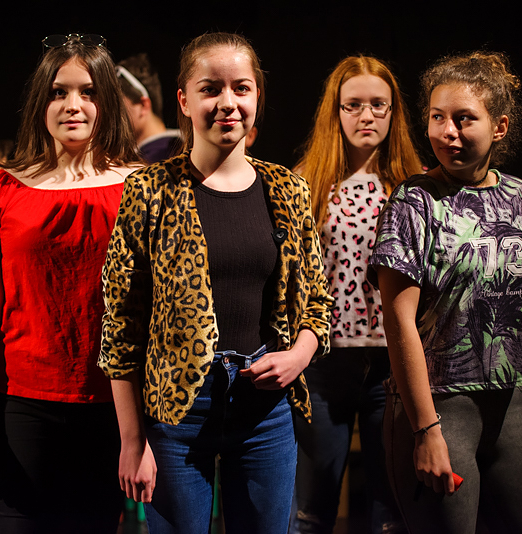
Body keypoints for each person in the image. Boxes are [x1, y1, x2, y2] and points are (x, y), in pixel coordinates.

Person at [98, 32, 333, 534]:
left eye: (241, 88)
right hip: (177, 415)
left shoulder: (287, 189)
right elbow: (120, 325)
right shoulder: (149, 190)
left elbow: (316, 300)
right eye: (210, 89)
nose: (228, 102)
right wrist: (132, 440)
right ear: (184, 100)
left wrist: (299, 355)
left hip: (264, 411)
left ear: (257, 97)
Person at [0, 34, 140, 534]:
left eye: (88, 92)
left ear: (108, 101)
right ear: (41, 100)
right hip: (21, 403)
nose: (73, 104)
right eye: (59, 92)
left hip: (114, 404)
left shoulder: (142, 186)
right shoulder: (0, 188)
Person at [369, 51, 522, 533]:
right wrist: (425, 429)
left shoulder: (519, 196)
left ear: (498, 127)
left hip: (511, 405)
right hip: (439, 407)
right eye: (438, 118)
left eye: (464, 119)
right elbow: (398, 322)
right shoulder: (414, 203)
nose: (447, 132)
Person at [291, 55, 422, 534]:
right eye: (353, 105)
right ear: (336, 110)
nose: (366, 115)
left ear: (393, 111)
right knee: (312, 507)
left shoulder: (413, 185)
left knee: (393, 510)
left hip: (394, 363)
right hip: (324, 360)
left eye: (378, 105)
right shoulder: (306, 182)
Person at [117, 53, 183, 163]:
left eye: (117, 106)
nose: (110, 114)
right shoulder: (184, 147)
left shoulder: (159, 158)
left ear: (143, 105)